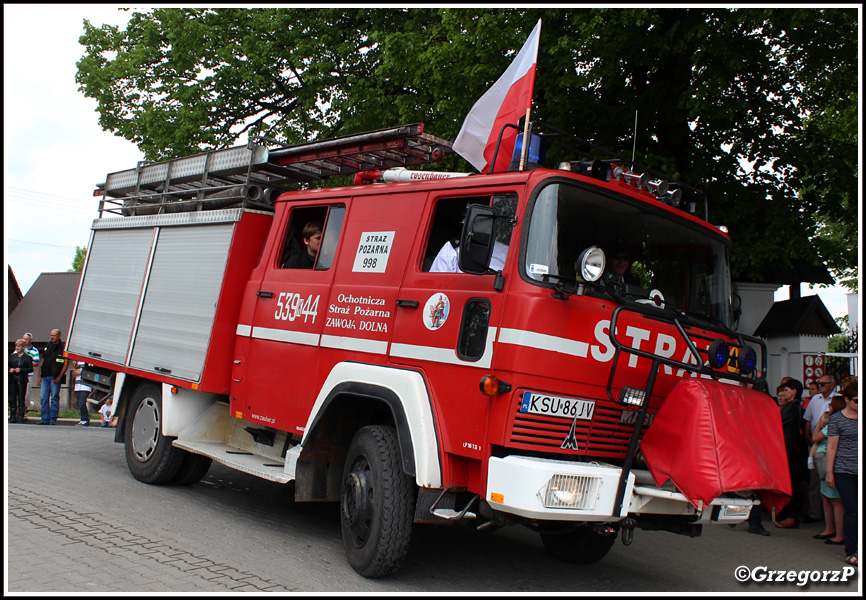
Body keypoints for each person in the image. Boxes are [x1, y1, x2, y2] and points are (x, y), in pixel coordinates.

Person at [825, 381, 858, 566]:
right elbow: (831, 447)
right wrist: (830, 472)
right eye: (856, 401)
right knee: (852, 510)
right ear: (847, 400)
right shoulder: (837, 419)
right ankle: (851, 550)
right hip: (844, 470)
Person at [802, 373, 841, 523]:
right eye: (819, 384)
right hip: (815, 442)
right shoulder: (815, 399)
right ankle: (815, 512)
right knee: (815, 481)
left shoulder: (837, 399)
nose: (820, 387)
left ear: (832, 385)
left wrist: (817, 431)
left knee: (828, 482)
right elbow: (808, 419)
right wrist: (808, 436)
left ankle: (830, 517)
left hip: (827, 441)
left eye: (823, 384)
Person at [810, 395, 846, 544]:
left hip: (829, 463)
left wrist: (818, 423)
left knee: (835, 500)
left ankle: (839, 533)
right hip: (823, 463)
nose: (828, 407)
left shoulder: (832, 424)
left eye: (831, 405)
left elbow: (816, 437)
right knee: (826, 498)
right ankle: (830, 528)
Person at [774, 378, 806, 528]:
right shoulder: (791, 407)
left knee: (789, 485)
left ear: (794, 392)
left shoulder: (793, 407)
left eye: (786, 390)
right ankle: (785, 514)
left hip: (788, 452)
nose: (783, 393)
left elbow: (778, 424)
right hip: (786, 450)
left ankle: (790, 516)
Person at [39, 329, 69, 426]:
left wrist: (59, 377)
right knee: (43, 398)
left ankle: (53, 419)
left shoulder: (63, 347)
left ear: (59, 336)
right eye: (51, 335)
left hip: (55, 377)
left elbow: (66, 364)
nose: (52, 337)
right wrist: (39, 376)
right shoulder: (48, 346)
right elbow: (42, 361)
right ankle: (44, 419)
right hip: (45, 376)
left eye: (54, 335)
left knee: (54, 398)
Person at [8, 339, 34, 423]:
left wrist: (21, 370)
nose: (17, 348)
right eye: (16, 346)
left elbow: (30, 369)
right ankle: (12, 416)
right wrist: (10, 369)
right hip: (12, 380)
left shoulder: (27, 358)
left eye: (19, 346)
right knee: (12, 398)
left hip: (22, 380)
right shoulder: (12, 356)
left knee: (21, 398)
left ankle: (20, 416)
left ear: (23, 347)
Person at [21, 332, 40, 420]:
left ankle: (24, 411)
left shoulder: (34, 350)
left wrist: (26, 364)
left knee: (26, 393)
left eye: (26, 339)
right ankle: (17, 411)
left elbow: (36, 362)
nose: (24, 341)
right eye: (23, 339)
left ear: (30, 340)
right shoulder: (19, 349)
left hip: (28, 374)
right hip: (19, 374)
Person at [71, 361, 92, 427]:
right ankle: (84, 418)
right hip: (77, 385)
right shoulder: (78, 363)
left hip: (85, 385)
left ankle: (84, 419)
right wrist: (74, 367)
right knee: (80, 403)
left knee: (82, 401)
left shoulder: (88, 362)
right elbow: (73, 375)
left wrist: (81, 372)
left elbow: (91, 373)